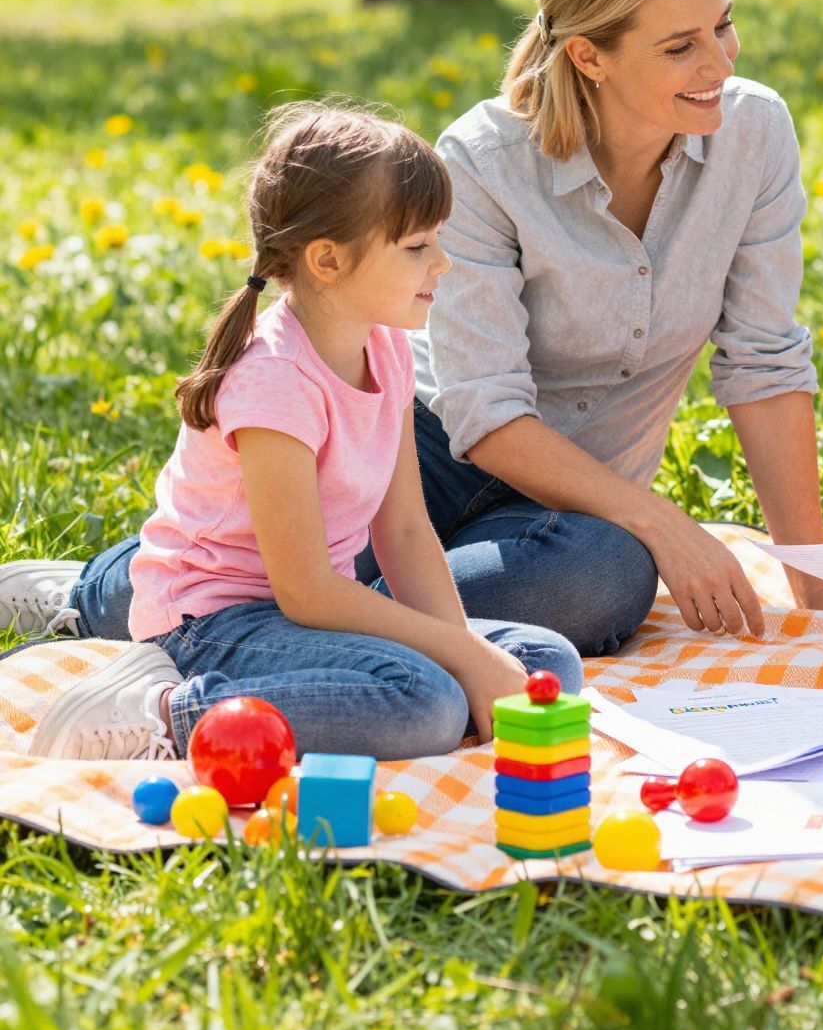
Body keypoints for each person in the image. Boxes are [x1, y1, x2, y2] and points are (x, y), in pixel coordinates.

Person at [3, 0, 823, 654]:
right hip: (429, 450)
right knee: (278, 566)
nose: (722, 63)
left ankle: (325, 616)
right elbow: (483, 410)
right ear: (590, 57)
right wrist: (665, 520)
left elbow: (762, 360)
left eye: (724, 26)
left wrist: (816, 585)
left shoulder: (754, 136)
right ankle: (102, 594)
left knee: (604, 580)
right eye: (681, 46)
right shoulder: (483, 159)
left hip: (572, 495)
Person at [26, 102, 581, 764]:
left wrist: (471, 653)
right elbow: (306, 588)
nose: (444, 263)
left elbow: (402, 532)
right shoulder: (275, 381)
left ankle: (389, 699)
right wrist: (459, 656)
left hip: (299, 619)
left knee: (545, 663)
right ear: (326, 260)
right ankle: (163, 713)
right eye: (416, 247)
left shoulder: (390, 348)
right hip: (211, 623)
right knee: (425, 704)